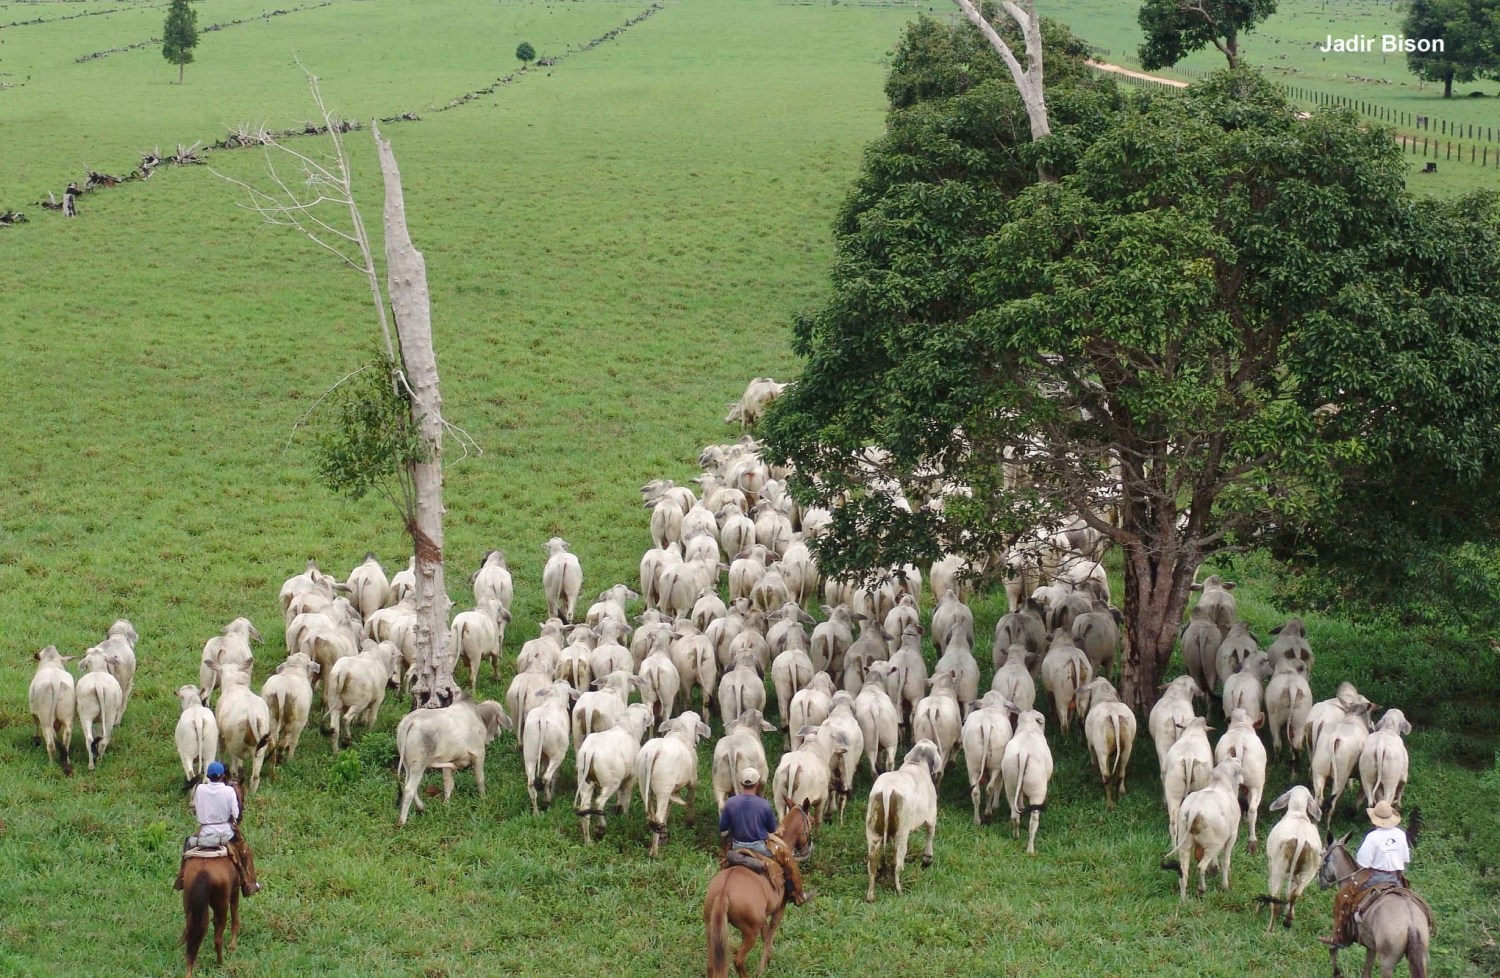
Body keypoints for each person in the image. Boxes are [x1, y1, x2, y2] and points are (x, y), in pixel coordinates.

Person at [1325, 800, 1410, 947]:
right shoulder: (1400, 834)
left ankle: (1341, 935)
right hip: (1396, 878)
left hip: (1376, 877)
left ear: (1375, 820)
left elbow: (1363, 863)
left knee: (1343, 897)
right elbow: (1405, 859)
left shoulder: (1373, 837)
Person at [718, 767, 806, 906]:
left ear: (741, 783)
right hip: (759, 847)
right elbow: (772, 829)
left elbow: (722, 827)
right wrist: (779, 828)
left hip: (736, 846)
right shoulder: (764, 805)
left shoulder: (730, 802)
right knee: (788, 858)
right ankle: (798, 895)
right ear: (757, 784)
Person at [173, 761, 260, 898]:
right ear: (222, 776)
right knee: (244, 850)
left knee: (187, 848)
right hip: (226, 832)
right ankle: (249, 884)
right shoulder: (229, 791)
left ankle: (181, 877)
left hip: (205, 831)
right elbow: (236, 814)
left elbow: (195, 808)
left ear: (209, 776)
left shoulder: (200, 788)